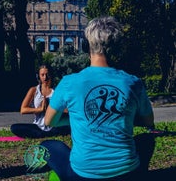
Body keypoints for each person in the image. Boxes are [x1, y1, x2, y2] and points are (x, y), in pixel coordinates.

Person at [39, 16, 155, 180]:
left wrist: (80, 118)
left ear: (86, 46)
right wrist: (120, 117)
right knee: (147, 140)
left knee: (48, 146)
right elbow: (148, 121)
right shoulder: (133, 82)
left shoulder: (69, 82)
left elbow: (49, 121)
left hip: (83, 176)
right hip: (128, 174)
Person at [10, 64, 70, 138]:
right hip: (38, 127)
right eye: (42, 75)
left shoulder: (57, 91)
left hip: (54, 126)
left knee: (70, 126)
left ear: (51, 75)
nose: (45, 77)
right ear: (39, 76)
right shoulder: (34, 90)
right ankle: (44, 134)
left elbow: (68, 110)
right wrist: (40, 109)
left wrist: (51, 108)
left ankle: (46, 134)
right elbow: (23, 109)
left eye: (47, 74)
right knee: (14, 127)